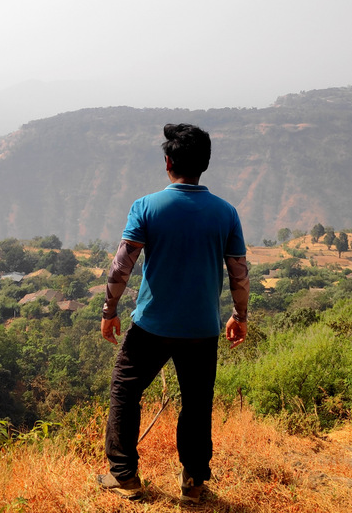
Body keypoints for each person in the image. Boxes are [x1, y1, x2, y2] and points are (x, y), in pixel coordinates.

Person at [96, 123, 250, 504]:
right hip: (201, 327)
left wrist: (110, 309)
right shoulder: (226, 213)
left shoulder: (146, 207)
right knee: (197, 403)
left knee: (125, 390)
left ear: (167, 162)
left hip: (151, 324)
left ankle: (125, 476)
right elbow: (239, 271)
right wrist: (239, 316)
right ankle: (194, 483)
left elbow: (121, 268)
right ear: (205, 165)